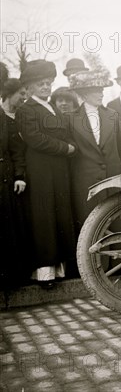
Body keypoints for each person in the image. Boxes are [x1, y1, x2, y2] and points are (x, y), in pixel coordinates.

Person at [16, 60, 77, 288]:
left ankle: (60, 269)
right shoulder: (26, 110)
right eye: (40, 83)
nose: (45, 87)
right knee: (44, 217)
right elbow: (35, 139)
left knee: (60, 214)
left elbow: (67, 133)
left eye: (48, 83)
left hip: (59, 169)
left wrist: (72, 146)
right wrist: (66, 148)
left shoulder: (52, 107)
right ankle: (44, 274)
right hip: (40, 169)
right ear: (29, 87)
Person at [68, 68, 121, 233]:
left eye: (102, 90)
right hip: (86, 184)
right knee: (91, 229)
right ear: (85, 93)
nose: (101, 94)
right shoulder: (70, 118)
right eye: (97, 90)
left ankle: (118, 259)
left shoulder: (113, 116)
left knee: (117, 225)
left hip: (114, 180)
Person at [0, 82, 30, 289]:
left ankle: (11, 277)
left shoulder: (9, 122)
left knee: (8, 227)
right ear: (8, 95)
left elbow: (17, 151)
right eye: (21, 94)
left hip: (5, 179)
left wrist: (20, 176)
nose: (24, 98)